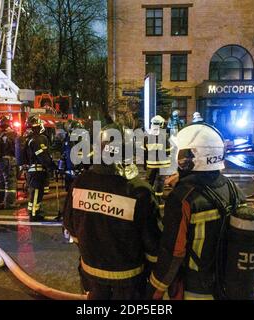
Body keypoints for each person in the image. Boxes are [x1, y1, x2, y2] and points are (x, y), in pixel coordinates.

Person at [147, 123, 254, 300]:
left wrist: (154, 291)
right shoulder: (233, 189)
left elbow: (173, 253)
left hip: (195, 290)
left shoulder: (183, 200)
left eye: (181, 155)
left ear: (193, 157)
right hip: (227, 287)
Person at [63, 122, 161, 300]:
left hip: (90, 274)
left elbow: (70, 227)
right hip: (129, 281)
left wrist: (89, 248)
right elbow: (152, 243)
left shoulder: (80, 182)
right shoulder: (140, 191)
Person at [24, 116, 56, 222]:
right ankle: (34, 214)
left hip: (33, 170)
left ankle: (35, 211)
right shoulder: (37, 140)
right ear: (37, 127)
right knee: (36, 193)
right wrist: (52, 166)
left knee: (36, 193)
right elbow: (42, 156)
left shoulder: (29, 138)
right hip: (37, 171)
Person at [0, 116, 18, 209]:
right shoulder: (12, 134)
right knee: (10, 182)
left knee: (0, 181)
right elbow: (16, 148)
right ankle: (10, 204)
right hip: (8, 160)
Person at [144, 115, 172, 203]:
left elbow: (144, 152)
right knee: (160, 182)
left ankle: (148, 199)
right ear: (161, 124)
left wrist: (145, 164)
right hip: (163, 164)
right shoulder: (165, 136)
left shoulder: (147, 136)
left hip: (151, 164)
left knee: (149, 181)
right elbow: (168, 151)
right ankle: (159, 201)